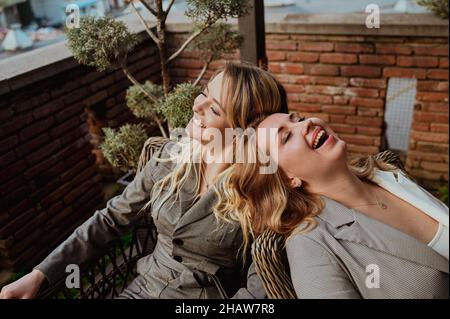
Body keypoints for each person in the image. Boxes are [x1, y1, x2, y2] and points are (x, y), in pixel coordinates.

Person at [0, 61, 288, 299]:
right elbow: (110, 219)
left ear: (244, 129)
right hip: (142, 289)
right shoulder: (170, 158)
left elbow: (259, 287)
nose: (197, 107)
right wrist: (41, 274)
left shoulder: (261, 188)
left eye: (215, 109)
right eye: (204, 93)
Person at [220, 113, 449, 299]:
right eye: (287, 137)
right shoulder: (311, 246)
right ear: (288, 178)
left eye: (297, 119)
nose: (306, 123)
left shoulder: (387, 174)